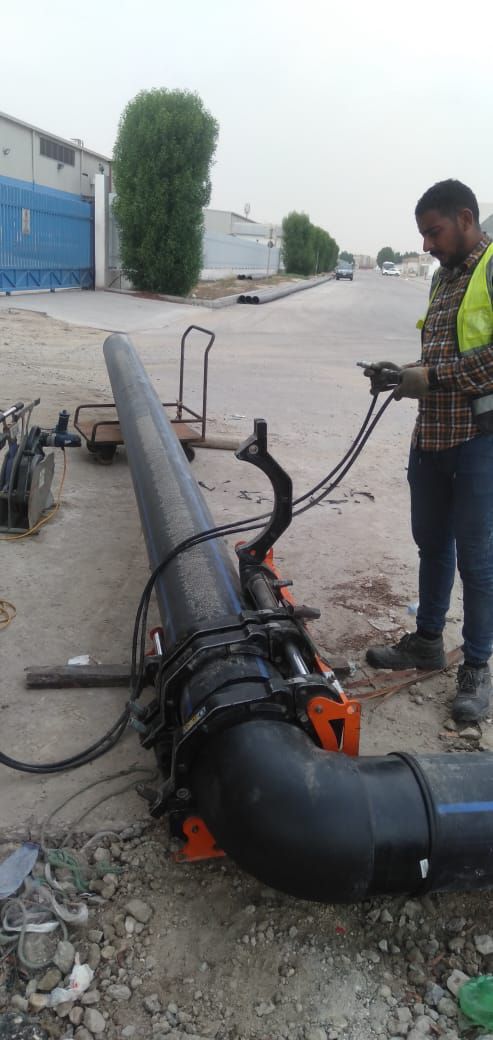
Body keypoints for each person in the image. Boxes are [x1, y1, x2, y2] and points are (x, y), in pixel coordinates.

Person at [365, 179, 493, 723]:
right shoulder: (443, 277)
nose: (426, 245)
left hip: (478, 442)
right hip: (433, 438)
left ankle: (477, 666)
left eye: (433, 232)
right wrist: (401, 373)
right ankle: (427, 641)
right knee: (433, 546)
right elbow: (439, 356)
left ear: (465, 219)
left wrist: (431, 378)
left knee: (477, 560)